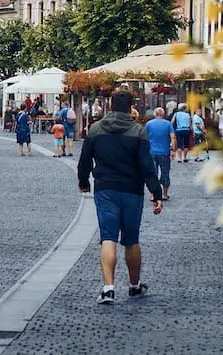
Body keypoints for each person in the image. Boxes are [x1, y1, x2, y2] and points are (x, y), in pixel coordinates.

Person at [77, 90, 163, 305]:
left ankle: (108, 289)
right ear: (130, 107)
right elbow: (147, 165)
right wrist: (156, 192)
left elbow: (84, 160)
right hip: (132, 191)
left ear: (110, 105)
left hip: (105, 189)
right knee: (131, 240)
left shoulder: (96, 129)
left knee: (108, 237)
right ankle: (134, 286)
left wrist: (84, 182)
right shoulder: (138, 131)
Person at [145, 107, 175, 201]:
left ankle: (153, 195)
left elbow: (144, 138)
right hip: (164, 152)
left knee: (153, 174)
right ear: (163, 114)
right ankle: (165, 194)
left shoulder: (148, 124)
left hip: (151, 152)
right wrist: (173, 149)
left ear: (155, 114)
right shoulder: (168, 124)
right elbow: (173, 137)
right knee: (165, 172)